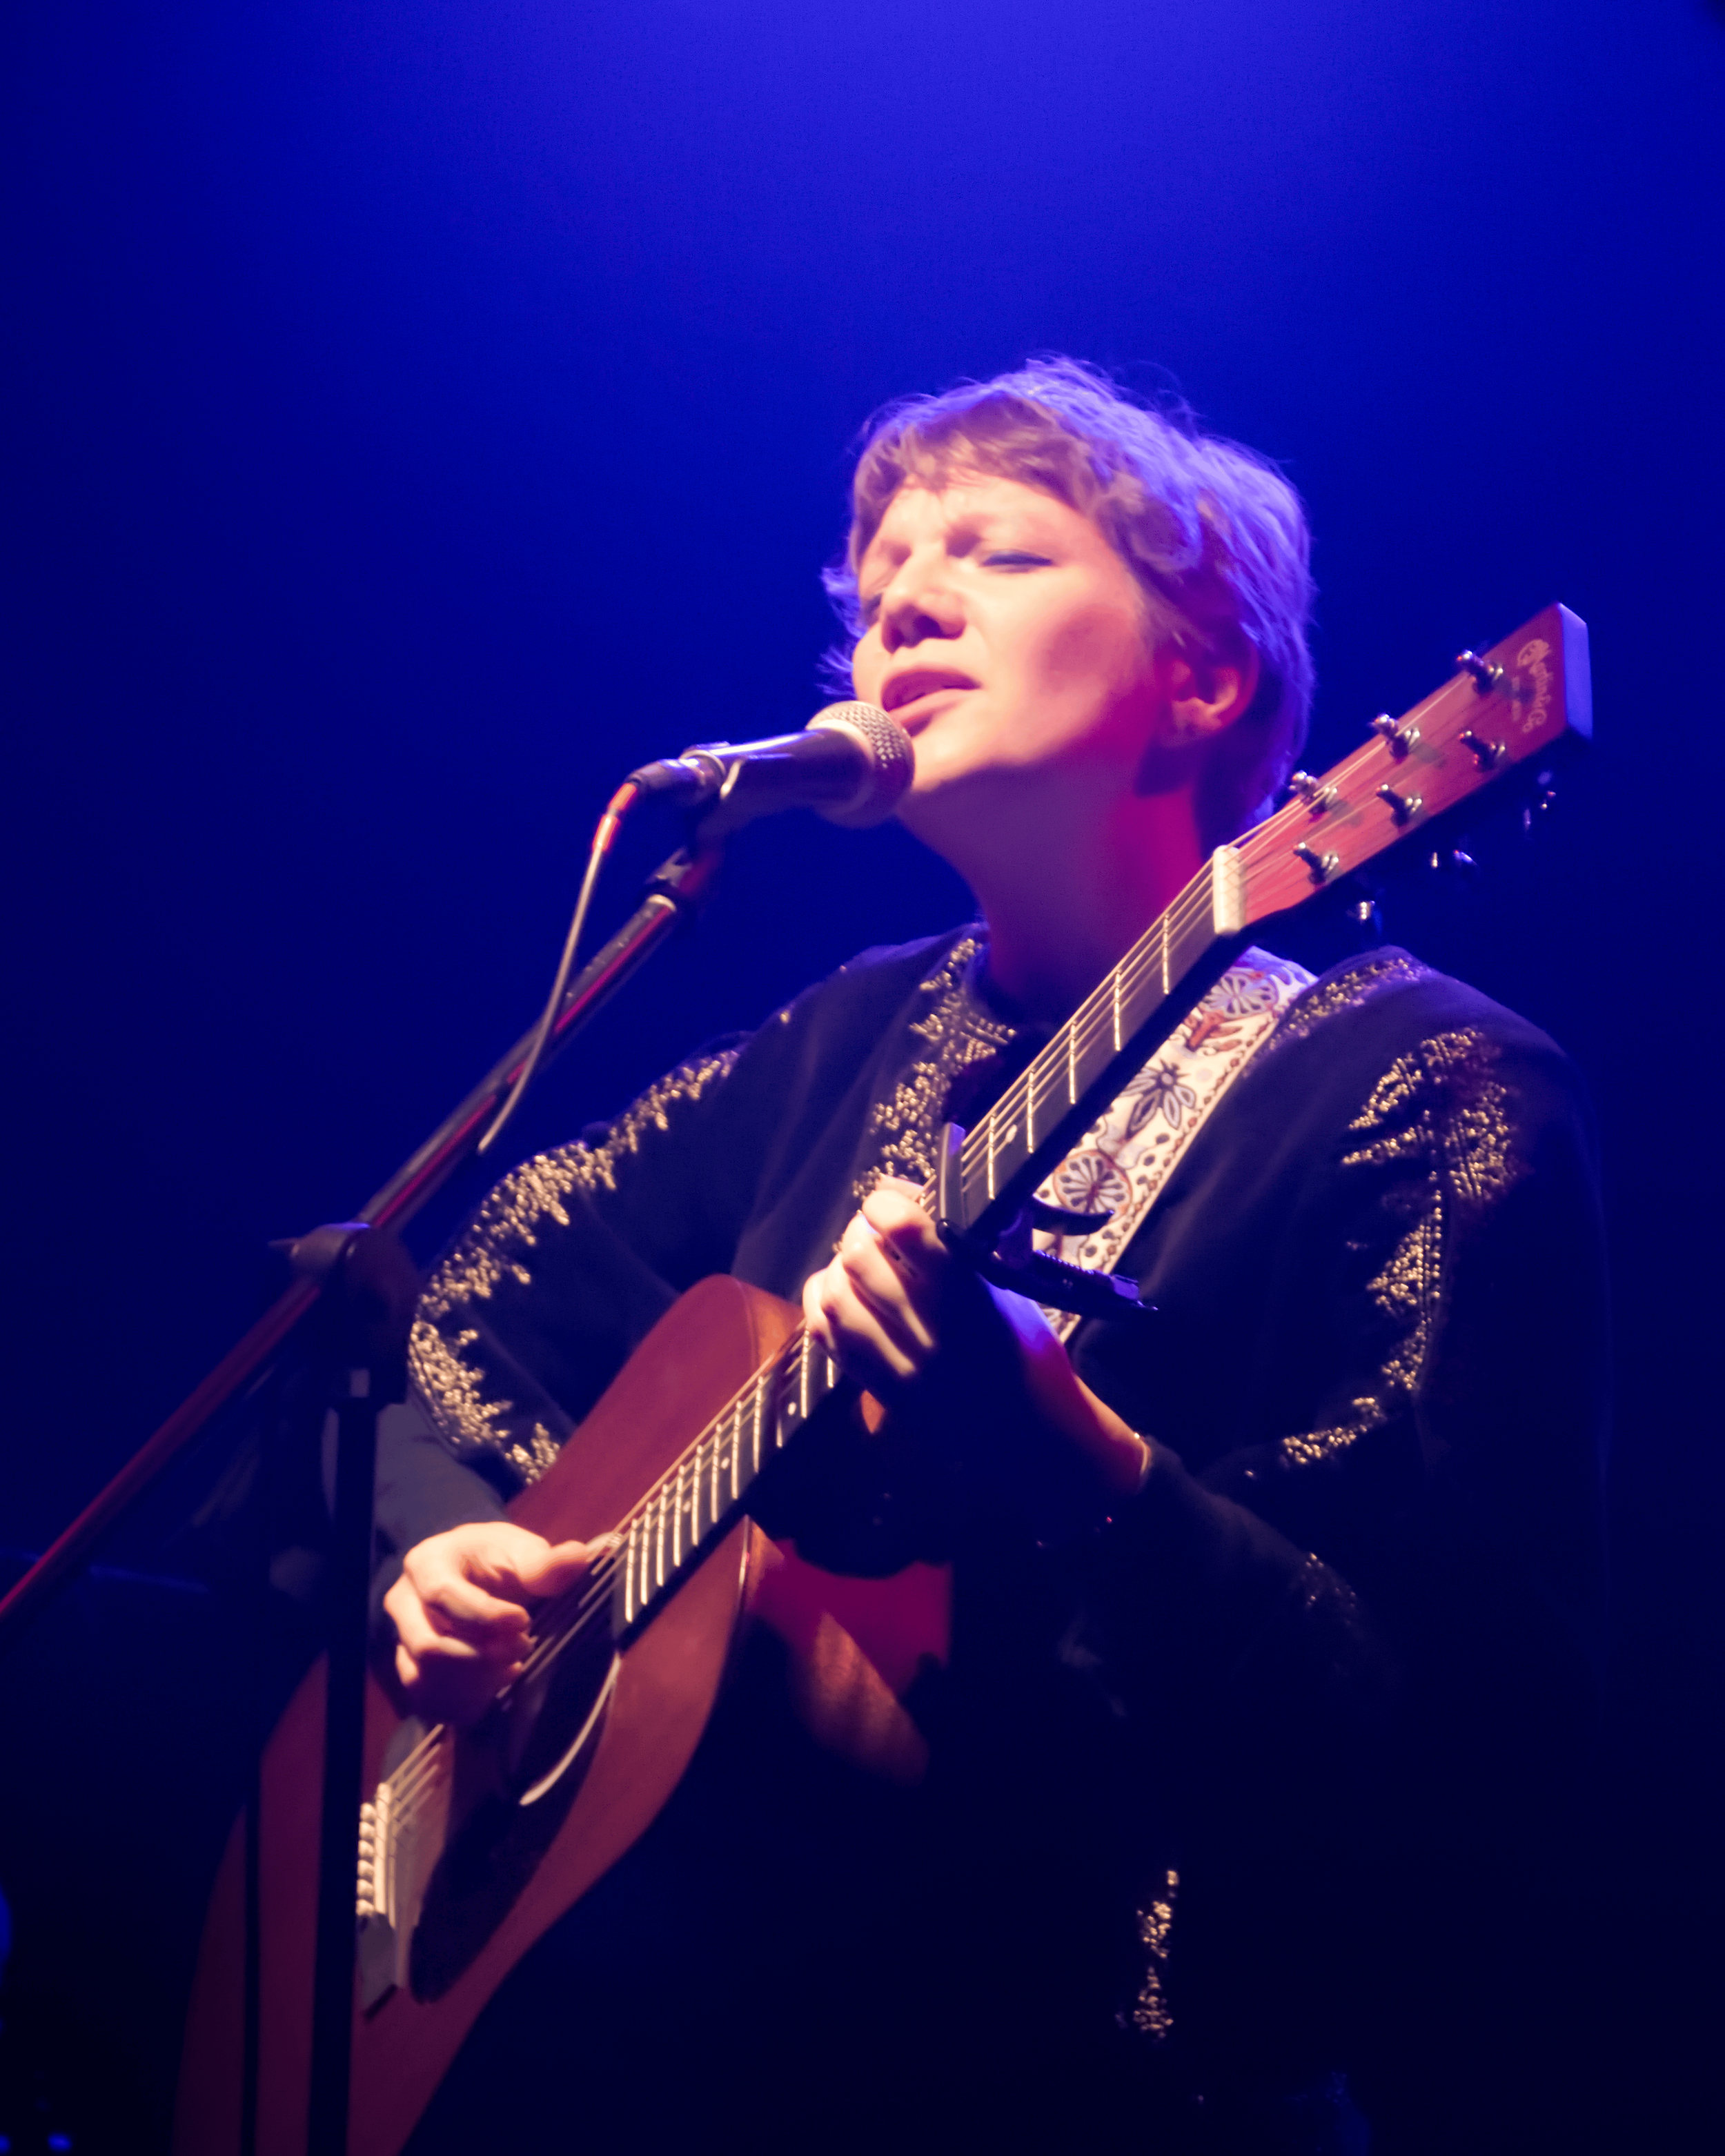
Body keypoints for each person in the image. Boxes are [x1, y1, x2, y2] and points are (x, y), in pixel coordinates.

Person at [373, 361, 1606, 2153]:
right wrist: (444, 1542)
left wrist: (1070, 1458)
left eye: (994, 553)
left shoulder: (1424, 1088)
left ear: (1204, 674)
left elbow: (1457, 1761)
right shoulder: (841, 1038)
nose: (902, 608)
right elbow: (465, 1295)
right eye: (875, 589)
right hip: (745, 2053)